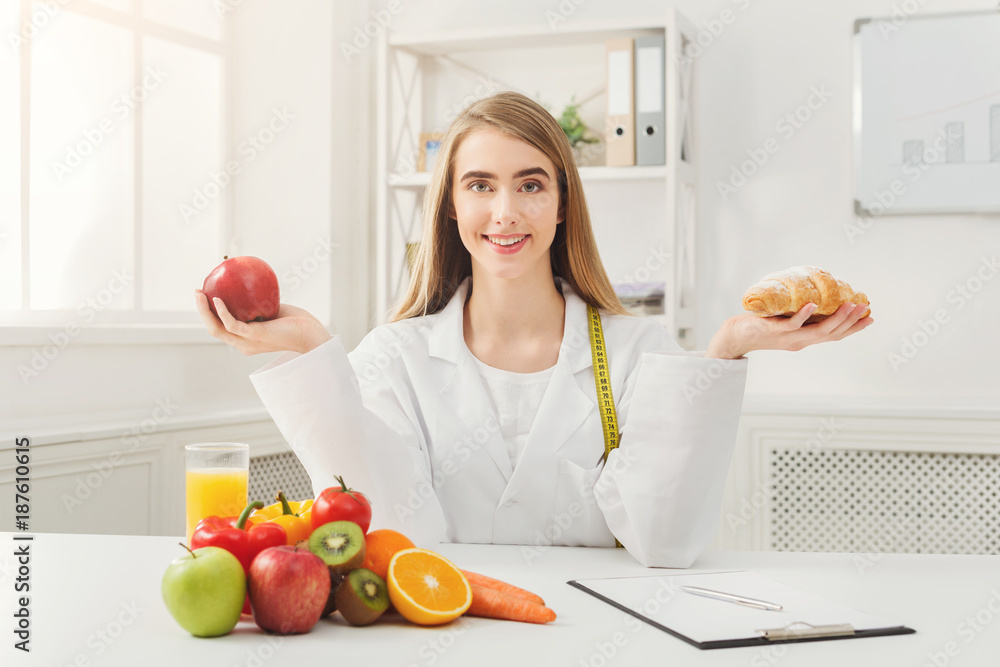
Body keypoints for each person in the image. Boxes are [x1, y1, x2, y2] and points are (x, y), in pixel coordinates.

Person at [195, 91, 873, 568]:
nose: (505, 211)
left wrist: (724, 350)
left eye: (530, 184)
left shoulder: (640, 353)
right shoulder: (394, 356)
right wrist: (316, 353)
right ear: (452, 207)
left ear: (560, 203)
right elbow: (399, 530)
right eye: (481, 185)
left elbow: (662, 542)